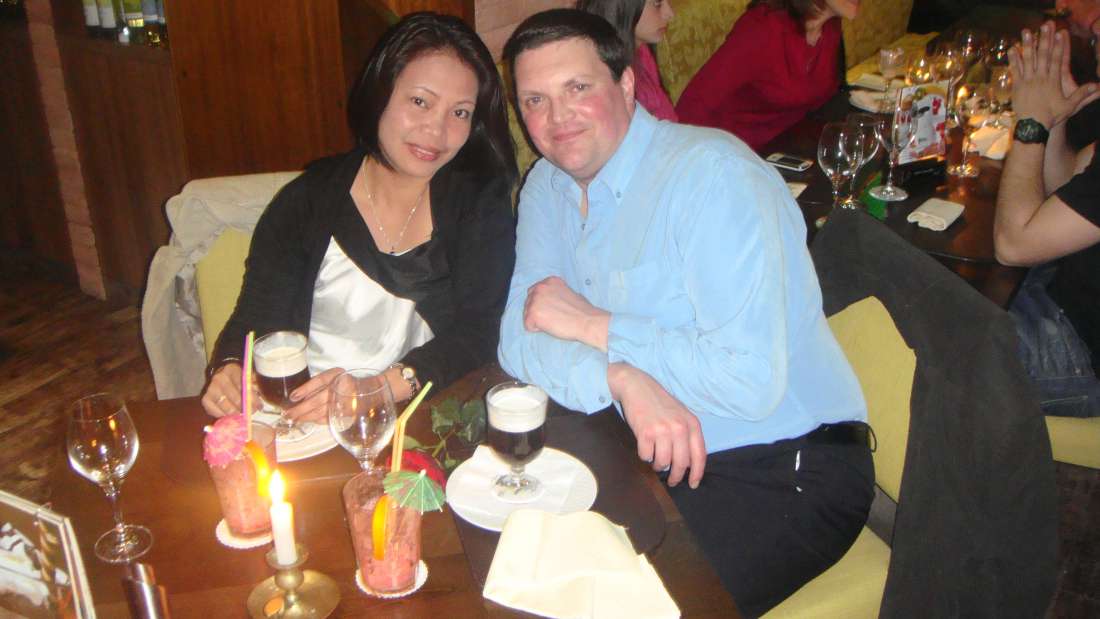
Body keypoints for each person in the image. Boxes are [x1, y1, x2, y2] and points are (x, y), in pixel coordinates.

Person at [498, 9, 873, 615]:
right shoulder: (547, 186)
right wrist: (620, 376)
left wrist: (594, 326)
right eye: (534, 100)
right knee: (519, 570)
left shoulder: (714, 177)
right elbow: (519, 337)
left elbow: (748, 382)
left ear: (625, 84)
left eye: (577, 88)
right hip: (646, 450)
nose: (556, 117)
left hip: (787, 465)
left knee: (617, 608)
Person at [200, 12, 518, 421]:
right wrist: (229, 366)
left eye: (460, 113)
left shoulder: (478, 203)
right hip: (307, 415)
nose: (436, 131)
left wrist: (378, 390)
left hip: (422, 416)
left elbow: (482, 330)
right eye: (420, 101)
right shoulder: (307, 201)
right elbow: (258, 317)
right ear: (379, 93)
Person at [994, 19, 1100, 417]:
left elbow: (1013, 245)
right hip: (1061, 301)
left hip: (1083, 358)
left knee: (929, 336)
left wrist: (1031, 124)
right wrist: (1053, 122)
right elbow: (1066, 184)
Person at [675, 0, 858, 149]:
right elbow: (692, 106)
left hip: (789, 151)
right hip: (736, 153)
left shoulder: (830, 27)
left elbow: (823, 102)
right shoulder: (762, 28)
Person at [576, 0, 678, 121]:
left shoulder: (642, 51)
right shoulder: (604, 81)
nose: (670, 14)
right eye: (657, 4)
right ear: (620, 7)